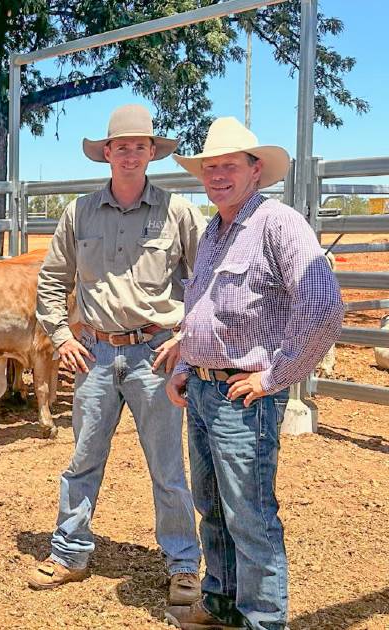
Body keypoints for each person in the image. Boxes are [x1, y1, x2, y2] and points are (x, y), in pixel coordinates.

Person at [164, 117, 344, 630]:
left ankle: (263, 620)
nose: (217, 174)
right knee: (213, 506)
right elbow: (200, 307)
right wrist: (185, 365)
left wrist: (274, 378)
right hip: (203, 389)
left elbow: (325, 306)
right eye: (209, 166)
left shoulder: (278, 224)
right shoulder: (215, 230)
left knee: (251, 516)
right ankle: (221, 604)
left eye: (229, 165)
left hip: (245, 398)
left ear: (255, 170)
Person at [30, 104, 204, 608]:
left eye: (139, 146)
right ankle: (69, 551)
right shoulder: (78, 212)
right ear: (106, 153)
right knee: (83, 457)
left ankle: (183, 565)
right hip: (96, 352)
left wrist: (186, 335)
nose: (130, 154)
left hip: (155, 353)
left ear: (153, 153)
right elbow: (51, 279)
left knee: (168, 465)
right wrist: (62, 336)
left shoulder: (177, 212)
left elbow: (206, 281)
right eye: (120, 146)